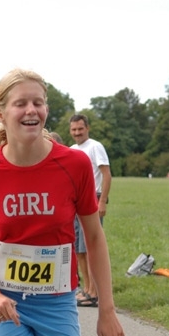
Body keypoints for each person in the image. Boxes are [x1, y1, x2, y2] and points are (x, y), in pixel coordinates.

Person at [0, 68, 124, 336]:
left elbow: (94, 238)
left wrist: (106, 308)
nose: (31, 110)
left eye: (38, 102)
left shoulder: (74, 164)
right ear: (0, 113)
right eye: (21, 103)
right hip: (5, 301)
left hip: (56, 303)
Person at [69, 113, 112, 307]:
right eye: (74, 129)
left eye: (80, 129)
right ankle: (87, 288)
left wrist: (102, 201)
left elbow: (106, 174)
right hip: (75, 202)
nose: (77, 132)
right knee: (79, 249)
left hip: (92, 200)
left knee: (90, 248)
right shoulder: (72, 150)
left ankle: (95, 293)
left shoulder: (95, 147)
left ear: (87, 128)